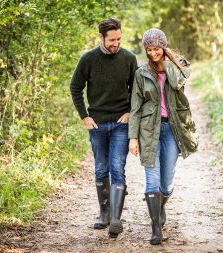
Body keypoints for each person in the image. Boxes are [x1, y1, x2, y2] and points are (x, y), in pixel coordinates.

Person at [128, 28, 198, 245]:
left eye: (156, 49)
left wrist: (167, 62)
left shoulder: (180, 65)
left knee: (166, 184)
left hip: (172, 129)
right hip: (149, 130)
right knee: (152, 179)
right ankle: (155, 227)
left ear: (164, 47)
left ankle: (161, 206)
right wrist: (133, 137)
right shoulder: (141, 73)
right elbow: (136, 107)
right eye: (148, 49)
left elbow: (177, 83)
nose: (152, 53)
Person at [70, 17, 137, 238]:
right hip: (96, 123)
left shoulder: (129, 58)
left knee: (117, 167)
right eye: (112, 39)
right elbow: (75, 87)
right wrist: (84, 116)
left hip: (121, 123)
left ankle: (116, 219)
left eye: (119, 38)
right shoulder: (88, 58)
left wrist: (130, 112)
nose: (116, 43)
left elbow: (137, 90)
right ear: (101, 37)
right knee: (101, 169)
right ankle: (104, 213)